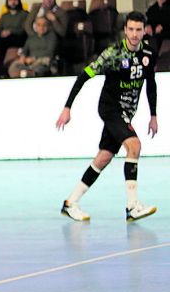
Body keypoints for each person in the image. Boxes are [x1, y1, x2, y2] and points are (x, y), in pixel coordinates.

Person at [55, 11, 158, 222]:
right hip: (110, 108)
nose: (134, 34)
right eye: (131, 29)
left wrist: (153, 115)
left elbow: (151, 84)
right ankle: (132, 206)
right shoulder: (113, 54)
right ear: (125, 30)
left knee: (104, 157)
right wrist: (67, 107)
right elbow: (83, 76)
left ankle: (70, 202)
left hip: (126, 113)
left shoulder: (148, 52)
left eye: (138, 30)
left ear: (144, 31)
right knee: (134, 146)